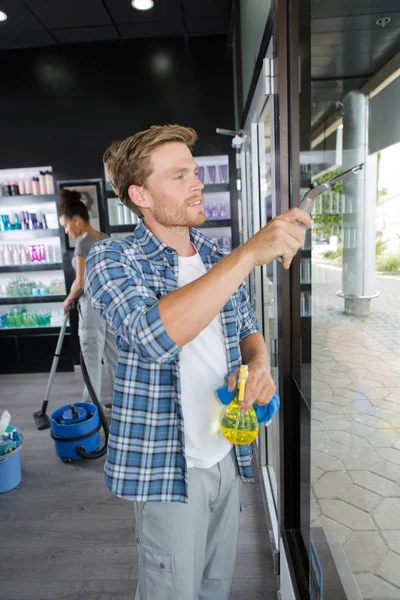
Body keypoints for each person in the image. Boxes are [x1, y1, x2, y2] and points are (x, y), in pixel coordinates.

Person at [84, 125, 311, 600]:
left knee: (215, 586)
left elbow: (248, 328)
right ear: (139, 195)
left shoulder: (213, 255)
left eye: (195, 170)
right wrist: (250, 253)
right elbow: (151, 336)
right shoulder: (112, 258)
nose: (197, 182)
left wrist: (260, 364)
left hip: (227, 453)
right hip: (170, 467)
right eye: (179, 175)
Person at [58, 189, 118, 409]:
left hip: (92, 309)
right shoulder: (106, 239)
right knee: (113, 357)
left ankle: (89, 408)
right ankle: (119, 402)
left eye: (66, 225)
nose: (66, 230)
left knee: (92, 358)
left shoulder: (83, 245)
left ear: (76, 220)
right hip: (110, 308)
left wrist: (68, 299)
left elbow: (80, 283)